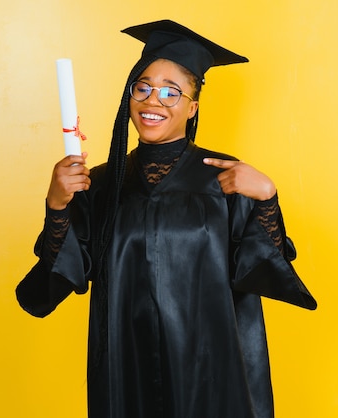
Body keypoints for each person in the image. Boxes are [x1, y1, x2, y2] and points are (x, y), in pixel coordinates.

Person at [16, 19, 317, 418]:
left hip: (212, 372)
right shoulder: (102, 184)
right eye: (142, 88)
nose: (152, 101)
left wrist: (266, 199)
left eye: (170, 92)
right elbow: (53, 281)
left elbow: (266, 268)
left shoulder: (226, 181)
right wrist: (57, 204)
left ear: (192, 107)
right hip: (128, 370)